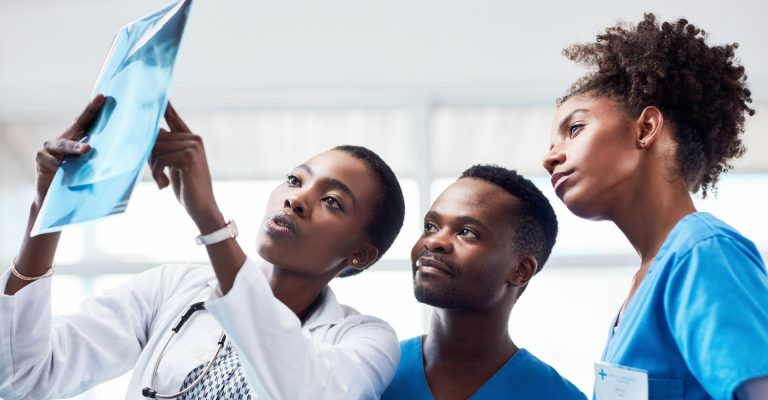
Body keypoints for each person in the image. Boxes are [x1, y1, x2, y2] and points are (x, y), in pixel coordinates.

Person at [0, 96, 406, 399]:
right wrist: (47, 212)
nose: (296, 199)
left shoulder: (366, 340)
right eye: (295, 180)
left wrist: (210, 219)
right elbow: (24, 379)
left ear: (360, 254)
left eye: (332, 201)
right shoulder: (172, 288)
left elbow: (303, 391)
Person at [543, 14, 768, 399]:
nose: (550, 158)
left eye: (574, 129)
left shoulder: (701, 252)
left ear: (646, 128)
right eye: (551, 146)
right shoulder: (640, 290)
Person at [381, 165, 586, 400]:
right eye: (431, 227)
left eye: (466, 232)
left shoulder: (559, 396)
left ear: (521, 270)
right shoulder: (373, 374)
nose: (435, 241)